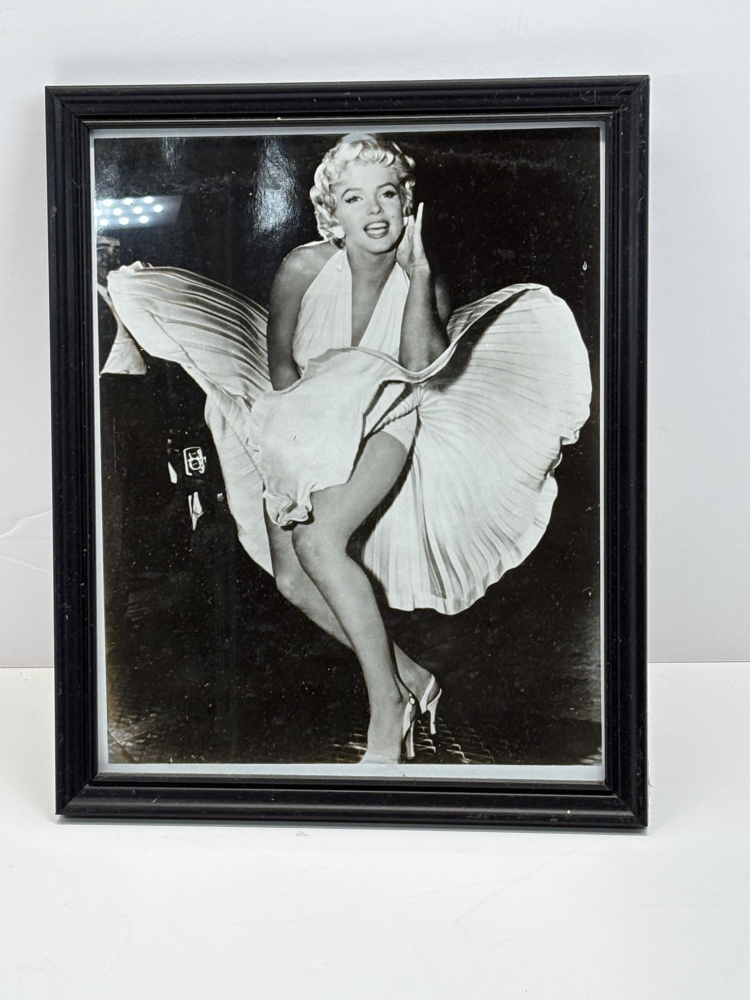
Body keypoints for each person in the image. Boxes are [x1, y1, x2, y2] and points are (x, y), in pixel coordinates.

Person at [107, 133, 592, 766]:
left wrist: (419, 274)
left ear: (407, 203)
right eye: (355, 198)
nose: (375, 211)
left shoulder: (426, 277)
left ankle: (386, 710)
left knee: (318, 544)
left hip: (390, 419)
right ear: (331, 211)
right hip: (301, 421)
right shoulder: (303, 268)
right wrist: (296, 455)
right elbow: (281, 368)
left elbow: (421, 367)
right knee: (292, 579)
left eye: (387, 194)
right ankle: (413, 679)